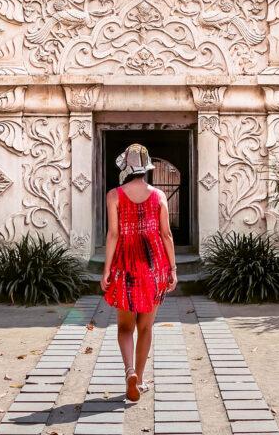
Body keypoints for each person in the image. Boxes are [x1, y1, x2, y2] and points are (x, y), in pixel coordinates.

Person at [100, 143, 177, 402]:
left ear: (125, 168)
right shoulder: (158, 196)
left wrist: (107, 269)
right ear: (146, 168)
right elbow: (166, 234)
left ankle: (129, 371)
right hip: (154, 264)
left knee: (124, 326)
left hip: (125, 264)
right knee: (145, 326)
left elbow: (113, 234)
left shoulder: (114, 195)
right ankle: (141, 380)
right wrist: (173, 269)